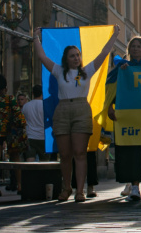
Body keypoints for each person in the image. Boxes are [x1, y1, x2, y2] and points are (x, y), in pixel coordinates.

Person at [33, 25, 119, 202]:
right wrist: (35, 38)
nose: (76, 58)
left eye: (78, 55)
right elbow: (42, 56)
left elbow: (104, 53)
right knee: (65, 155)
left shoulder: (87, 71)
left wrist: (114, 35)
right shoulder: (58, 71)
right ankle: (67, 188)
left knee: (80, 152)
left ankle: (80, 190)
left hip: (81, 110)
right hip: (63, 110)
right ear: (66, 59)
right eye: (72, 56)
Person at [108, 36, 141, 201]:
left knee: (137, 151)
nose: (135, 49)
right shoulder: (122, 67)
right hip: (124, 116)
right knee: (124, 151)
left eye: (139, 46)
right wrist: (109, 107)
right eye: (133, 46)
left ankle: (136, 186)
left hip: (140, 116)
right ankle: (129, 182)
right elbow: (111, 89)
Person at [0, 74, 25, 196]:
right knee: (15, 157)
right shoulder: (10, 99)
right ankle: (20, 185)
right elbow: (18, 114)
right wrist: (22, 124)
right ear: (6, 87)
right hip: (10, 130)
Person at [22, 85, 46, 161]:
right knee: (44, 160)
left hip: (30, 136)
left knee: (30, 158)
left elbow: (22, 121)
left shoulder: (26, 106)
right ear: (42, 93)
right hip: (43, 136)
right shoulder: (45, 105)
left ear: (32, 93)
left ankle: (30, 169)